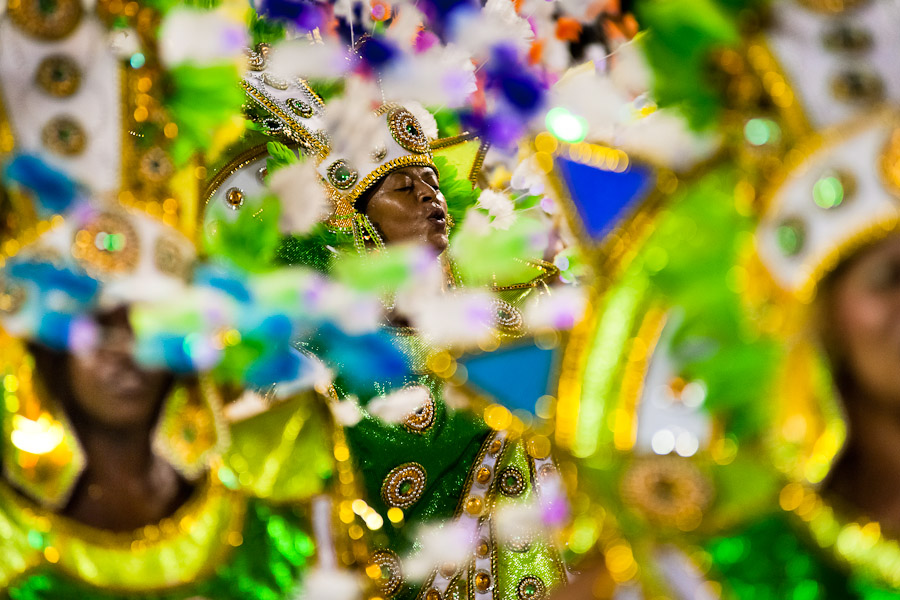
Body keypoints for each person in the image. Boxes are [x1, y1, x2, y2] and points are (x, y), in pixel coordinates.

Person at [0, 2, 364, 595]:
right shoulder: (8, 543)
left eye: (150, 321)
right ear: (41, 352)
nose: (128, 351)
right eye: (96, 328)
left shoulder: (280, 476)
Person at [205, 44, 569, 600]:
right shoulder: (324, 352)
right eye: (404, 188)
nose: (431, 198)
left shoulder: (499, 316)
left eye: (433, 183)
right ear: (355, 219)